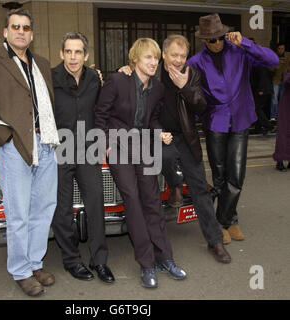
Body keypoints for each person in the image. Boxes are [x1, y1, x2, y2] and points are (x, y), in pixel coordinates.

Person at [118, 35, 231, 262]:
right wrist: (126, 70)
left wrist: (185, 87)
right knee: (167, 158)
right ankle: (176, 186)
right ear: (164, 55)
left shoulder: (193, 74)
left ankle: (215, 241)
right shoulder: (152, 72)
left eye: (183, 56)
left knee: (200, 188)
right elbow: (140, 100)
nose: (179, 60)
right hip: (157, 135)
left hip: (186, 137)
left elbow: (201, 104)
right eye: (174, 55)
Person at [0, 9, 60, 297]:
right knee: (18, 213)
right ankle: (21, 271)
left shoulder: (42, 64)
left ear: (31, 34)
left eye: (25, 27)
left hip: (45, 145)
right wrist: (5, 138)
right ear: (5, 32)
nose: (20, 31)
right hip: (15, 148)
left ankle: (35, 263)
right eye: (15, 27)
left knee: (43, 209)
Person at [96, 38, 187, 288]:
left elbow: (153, 119)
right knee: (133, 202)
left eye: (156, 58)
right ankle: (146, 263)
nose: (153, 62)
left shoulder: (157, 88)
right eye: (148, 57)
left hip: (142, 146)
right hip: (117, 146)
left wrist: (159, 133)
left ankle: (165, 257)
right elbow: (101, 114)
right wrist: (104, 143)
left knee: (153, 201)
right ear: (134, 58)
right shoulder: (117, 80)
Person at [187, 13, 279, 244]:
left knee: (236, 175)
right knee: (220, 177)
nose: (217, 43)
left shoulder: (240, 51)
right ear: (204, 41)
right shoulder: (195, 62)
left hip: (240, 119)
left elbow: (273, 61)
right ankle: (230, 219)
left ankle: (223, 221)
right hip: (215, 122)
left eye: (219, 38)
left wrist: (246, 42)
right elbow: (188, 93)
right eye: (211, 40)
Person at [51, 32, 114, 284]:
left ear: (86, 55)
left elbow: (105, 108)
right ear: (61, 53)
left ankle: (99, 261)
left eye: (78, 52)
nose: (73, 56)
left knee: (95, 203)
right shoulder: (50, 78)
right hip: (60, 149)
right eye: (68, 51)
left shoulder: (95, 79)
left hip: (88, 149)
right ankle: (71, 260)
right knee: (62, 209)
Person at [248, 38, 273, 135]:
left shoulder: (257, 57)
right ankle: (258, 128)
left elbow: (263, 74)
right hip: (257, 88)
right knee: (256, 108)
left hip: (262, 88)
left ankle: (268, 126)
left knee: (256, 108)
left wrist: (261, 89)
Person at [273, 71, 290, 171]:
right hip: (286, 106)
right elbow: (286, 80)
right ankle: (279, 161)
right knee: (283, 133)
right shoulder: (287, 70)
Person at [270, 43, 290, 121]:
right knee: (274, 99)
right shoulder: (274, 56)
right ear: (277, 49)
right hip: (276, 80)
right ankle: (273, 116)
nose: (281, 50)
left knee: (283, 99)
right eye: (279, 48)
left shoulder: (288, 55)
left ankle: (282, 115)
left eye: (282, 48)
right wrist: (277, 66)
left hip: (285, 80)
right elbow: (270, 68)